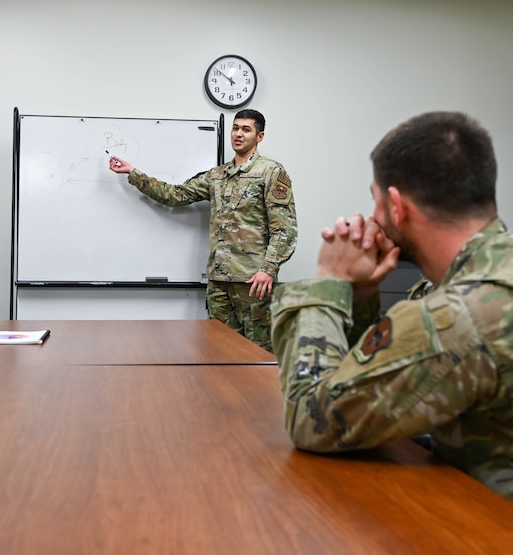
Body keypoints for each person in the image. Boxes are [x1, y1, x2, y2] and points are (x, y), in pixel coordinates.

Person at [271, 111, 513, 501]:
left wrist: (329, 282)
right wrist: (362, 295)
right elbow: (374, 383)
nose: (373, 217)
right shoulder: (482, 280)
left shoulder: (460, 316)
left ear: (397, 206)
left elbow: (311, 418)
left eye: (376, 200)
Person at [109, 109, 297, 350]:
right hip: (218, 281)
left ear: (259, 136)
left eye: (246, 129)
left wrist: (268, 269)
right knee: (219, 349)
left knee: (258, 352)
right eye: (235, 128)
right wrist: (133, 173)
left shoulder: (271, 172)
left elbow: (286, 228)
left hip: (252, 280)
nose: (238, 134)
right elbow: (175, 195)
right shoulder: (217, 176)